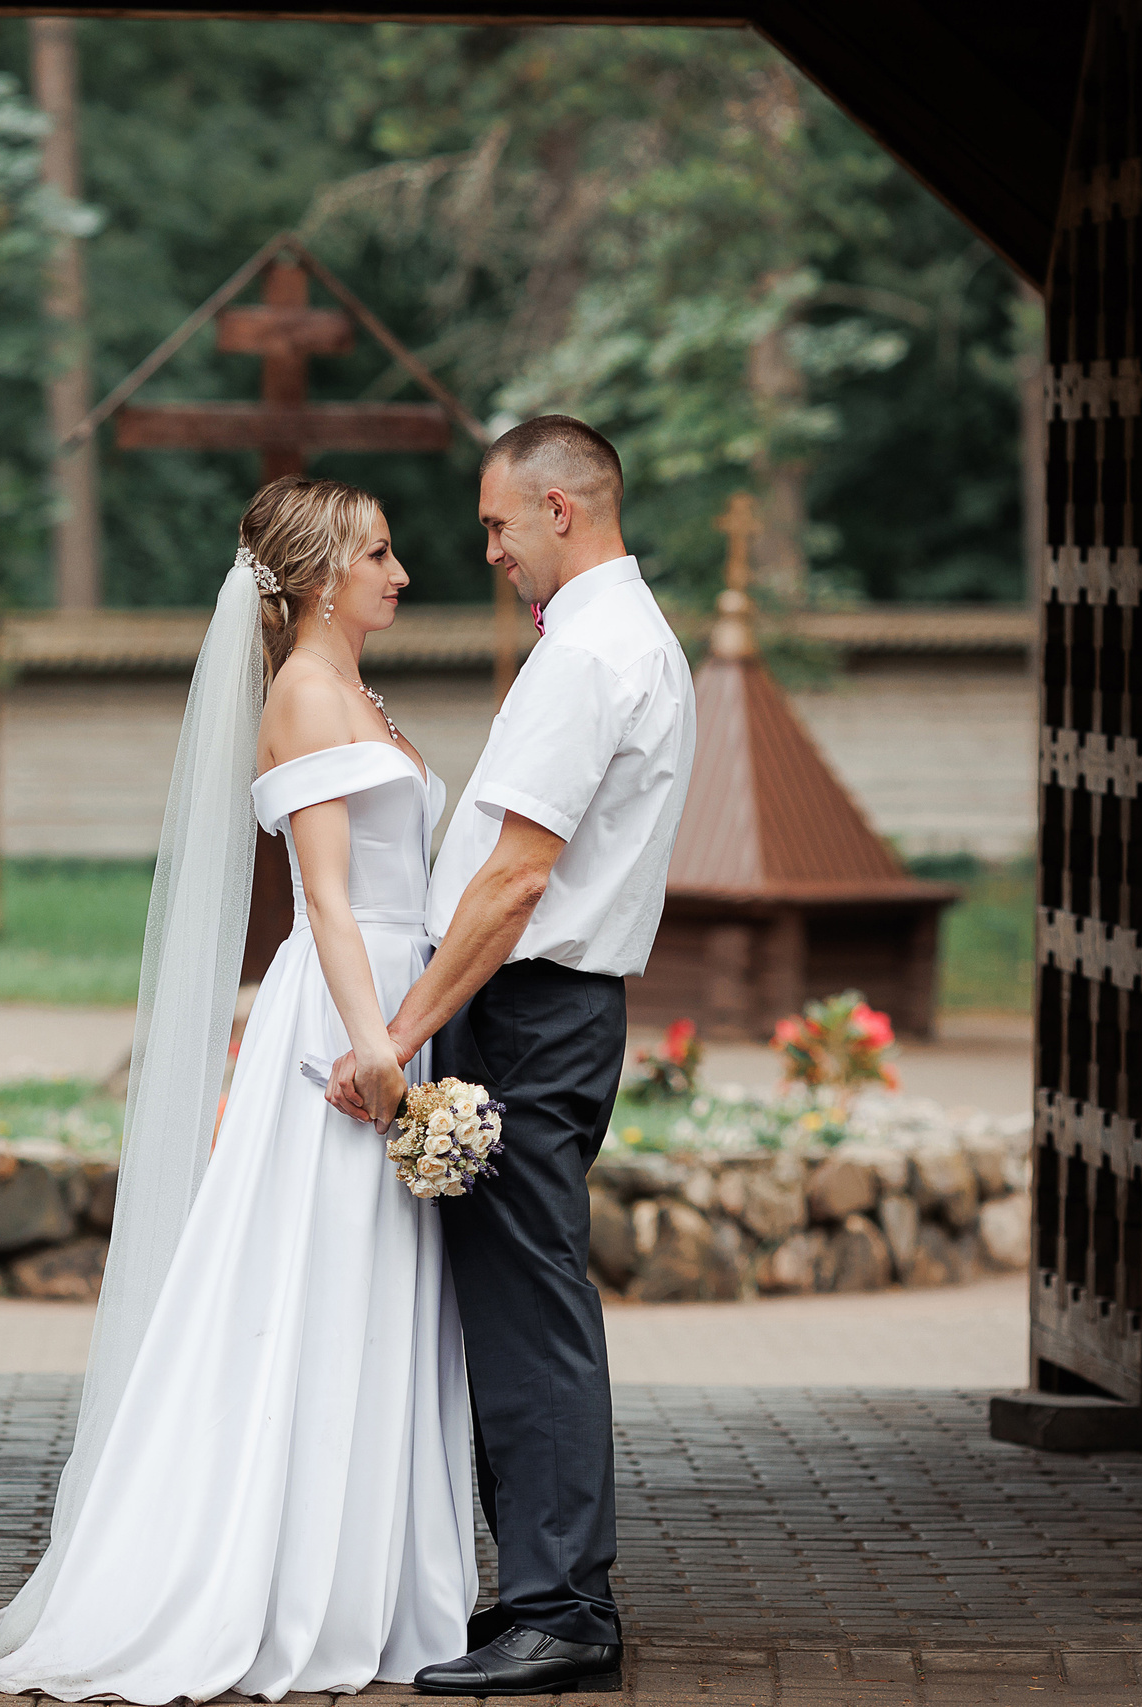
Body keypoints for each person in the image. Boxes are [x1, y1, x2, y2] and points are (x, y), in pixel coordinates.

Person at [0, 476, 478, 1702]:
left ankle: (372, 1580)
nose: (401, 575)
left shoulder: (358, 690)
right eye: (380, 555)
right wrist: (379, 1057)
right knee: (310, 1286)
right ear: (314, 575)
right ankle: (271, 1579)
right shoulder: (304, 696)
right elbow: (330, 900)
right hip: (344, 1027)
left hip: (394, 1004)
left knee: (370, 1295)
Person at [326, 414, 695, 1696]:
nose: (485, 550)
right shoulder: (606, 640)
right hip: (532, 1009)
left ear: (560, 511)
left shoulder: (592, 654)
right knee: (508, 1296)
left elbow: (514, 880)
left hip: (528, 1012)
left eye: (494, 524)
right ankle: (534, 1587)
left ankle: (561, 1606)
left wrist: (402, 1032)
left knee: (530, 1302)